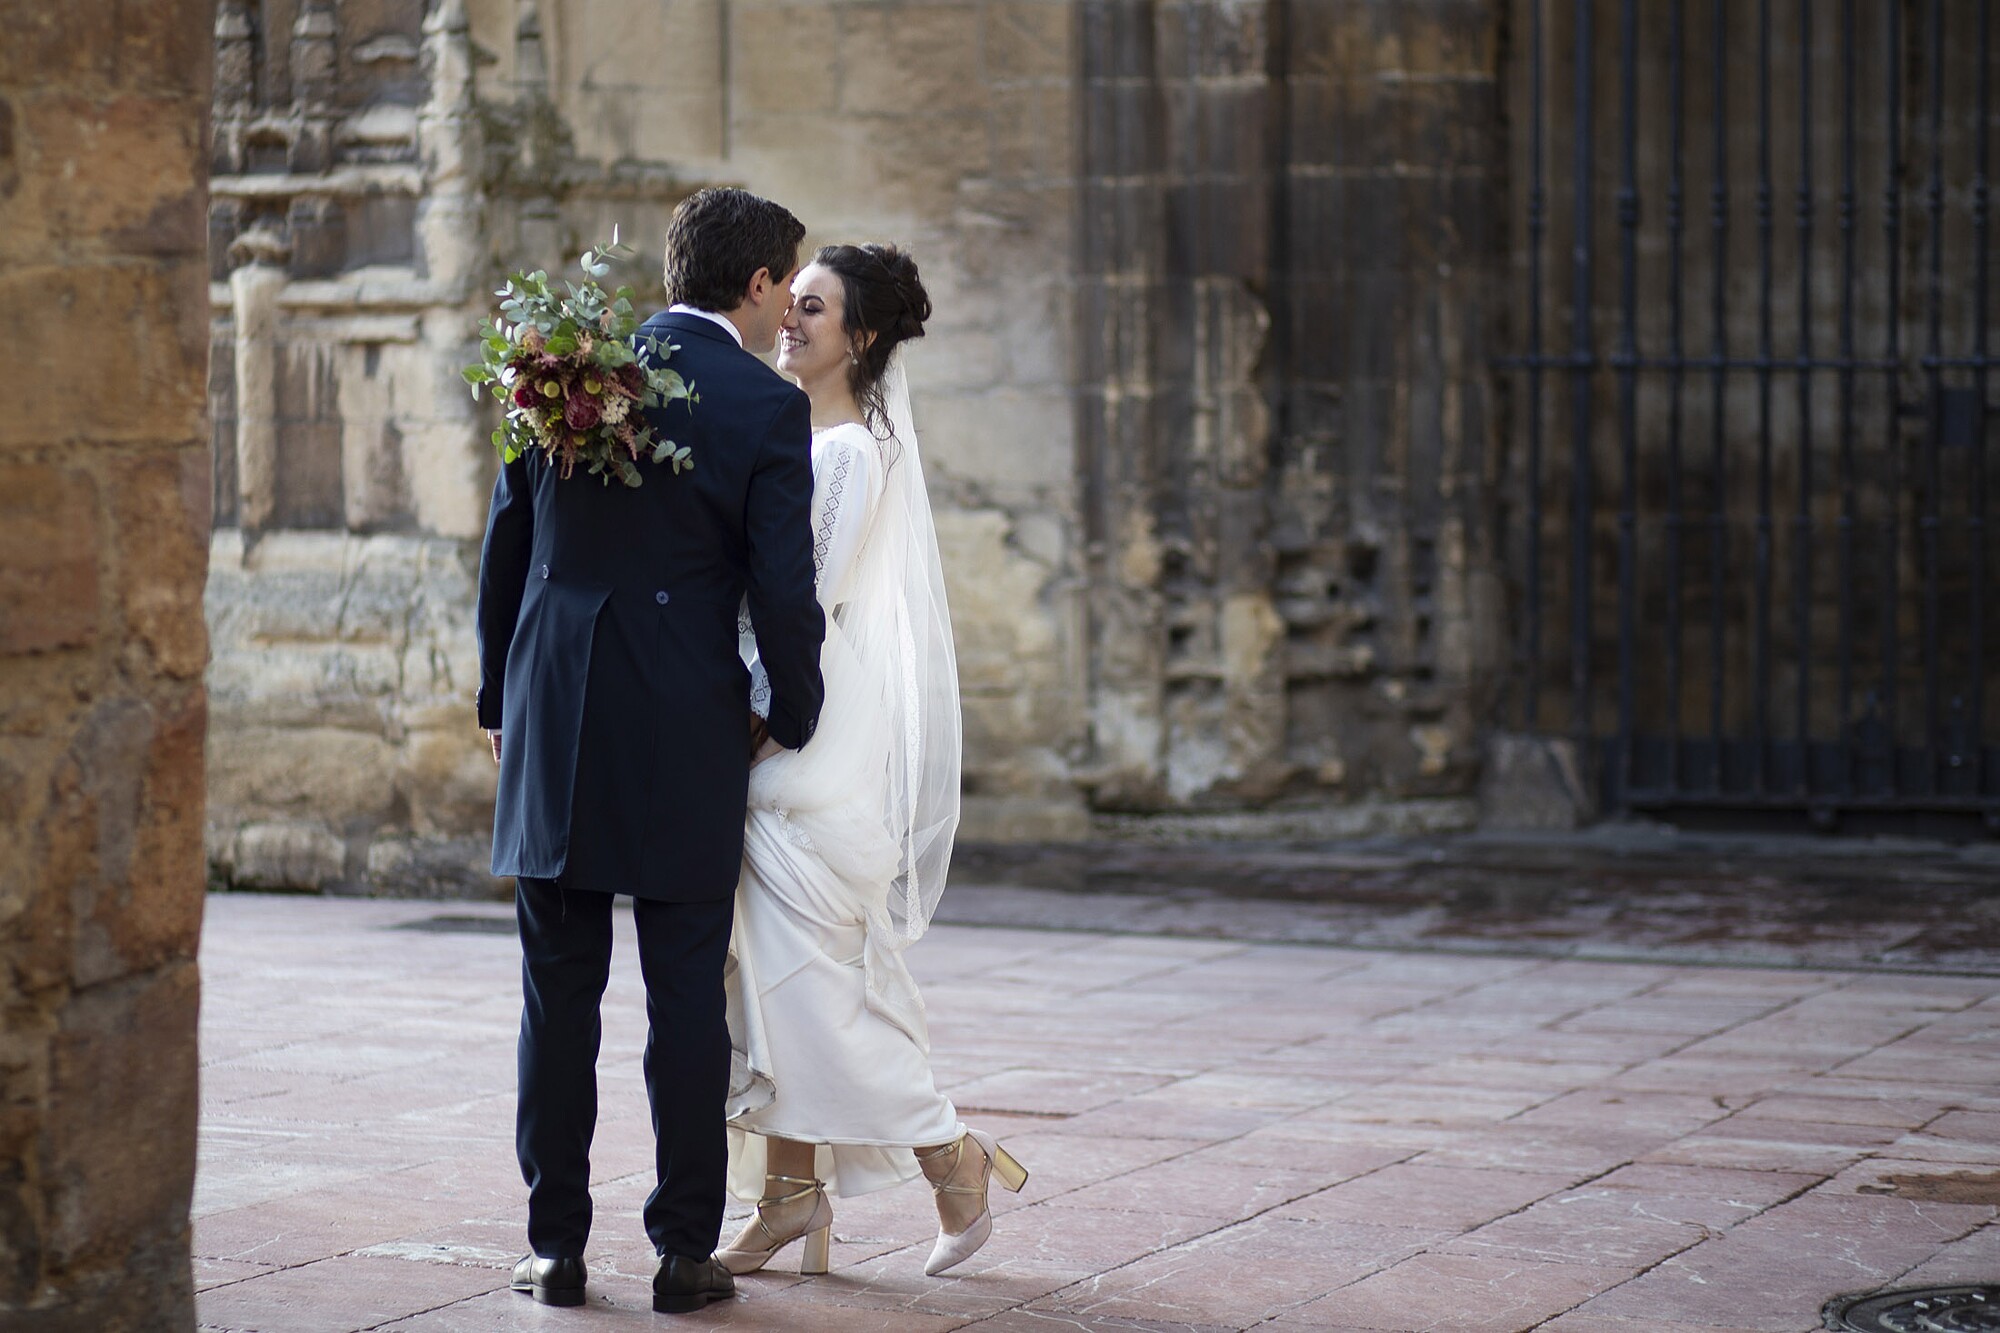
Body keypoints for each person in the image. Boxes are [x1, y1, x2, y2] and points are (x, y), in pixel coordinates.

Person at [475, 187, 826, 1315]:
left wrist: (497, 698)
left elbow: (506, 544)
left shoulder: (564, 369)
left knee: (555, 994)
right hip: (685, 722)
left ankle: (554, 1249)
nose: (787, 313)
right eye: (786, 287)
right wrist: (796, 708)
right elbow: (782, 588)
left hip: (557, 714)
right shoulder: (761, 407)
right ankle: (682, 1251)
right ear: (762, 281)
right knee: (682, 996)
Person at [719, 244, 1029, 1282]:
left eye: (814, 309)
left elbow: (803, 599)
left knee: (804, 978)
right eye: (790, 303)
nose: (790, 321)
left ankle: (951, 1153)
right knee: (773, 971)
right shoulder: (792, 428)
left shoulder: (845, 450)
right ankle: (789, 1195)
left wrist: (749, 709)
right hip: (785, 697)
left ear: (858, 337)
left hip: (807, 715)